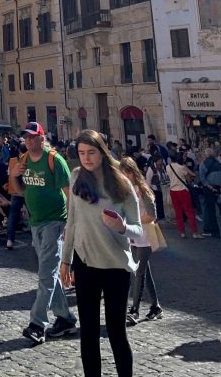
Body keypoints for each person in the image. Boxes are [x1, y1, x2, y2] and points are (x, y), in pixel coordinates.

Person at [61, 130, 142, 377]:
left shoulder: (121, 183)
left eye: (91, 152)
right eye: (81, 153)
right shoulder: (76, 176)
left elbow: (138, 229)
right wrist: (65, 260)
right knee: (88, 333)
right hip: (85, 263)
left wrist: (122, 227)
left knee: (116, 332)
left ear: (103, 152)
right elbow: (72, 220)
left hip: (116, 265)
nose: (86, 158)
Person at [8, 121, 77, 345]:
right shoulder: (23, 160)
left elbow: (70, 194)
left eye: (32, 137)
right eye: (26, 137)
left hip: (55, 222)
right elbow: (21, 191)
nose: (28, 141)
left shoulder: (55, 160)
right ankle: (65, 319)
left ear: (42, 138)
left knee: (46, 274)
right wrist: (13, 175)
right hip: (35, 222)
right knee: (51, 273)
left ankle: (37, 324)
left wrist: (70, 225)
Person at [119, 157, 163, 324]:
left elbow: (152, 215)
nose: (124, 177)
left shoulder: (143, 190)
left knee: (138, 271)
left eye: (127, 173)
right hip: (133, 236)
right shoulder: (126, 190)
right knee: (144, 271)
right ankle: (155, 306)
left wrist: (133, 220)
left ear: (133, 172)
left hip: (145, 235)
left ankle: (135, 310)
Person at [165, 153, 201, 238]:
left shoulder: (168, 167)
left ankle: (182, 232)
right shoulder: (182, 167)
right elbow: (189, 179)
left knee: (178, 212)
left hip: (173, 191)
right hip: (182, 190)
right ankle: (194, 232)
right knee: (189, 211)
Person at [198, 145, 221, 237]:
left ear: (205, 155)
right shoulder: (220, 164)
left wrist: (210, 187)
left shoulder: (203, 164)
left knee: (210, 211)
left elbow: (202, 179)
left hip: (209, 190)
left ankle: (214, 231)